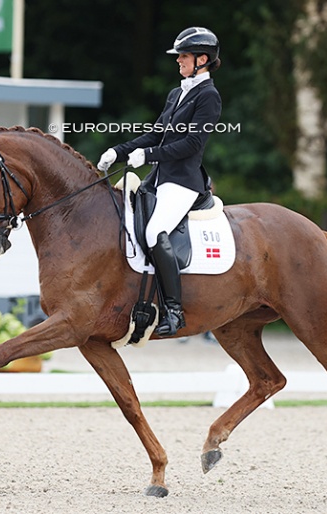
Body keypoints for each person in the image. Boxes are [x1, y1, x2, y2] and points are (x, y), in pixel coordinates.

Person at [97, 27, 222, 337]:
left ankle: (174, 310)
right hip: (158, 178)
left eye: (183, 56)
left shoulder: (209, 96)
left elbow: (193, 143)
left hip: (183, 181)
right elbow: (156, 133)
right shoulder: (177, 93)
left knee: (155, 231)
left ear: (202, 59)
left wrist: (150, 156)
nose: (178, 61)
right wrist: (119, 150)